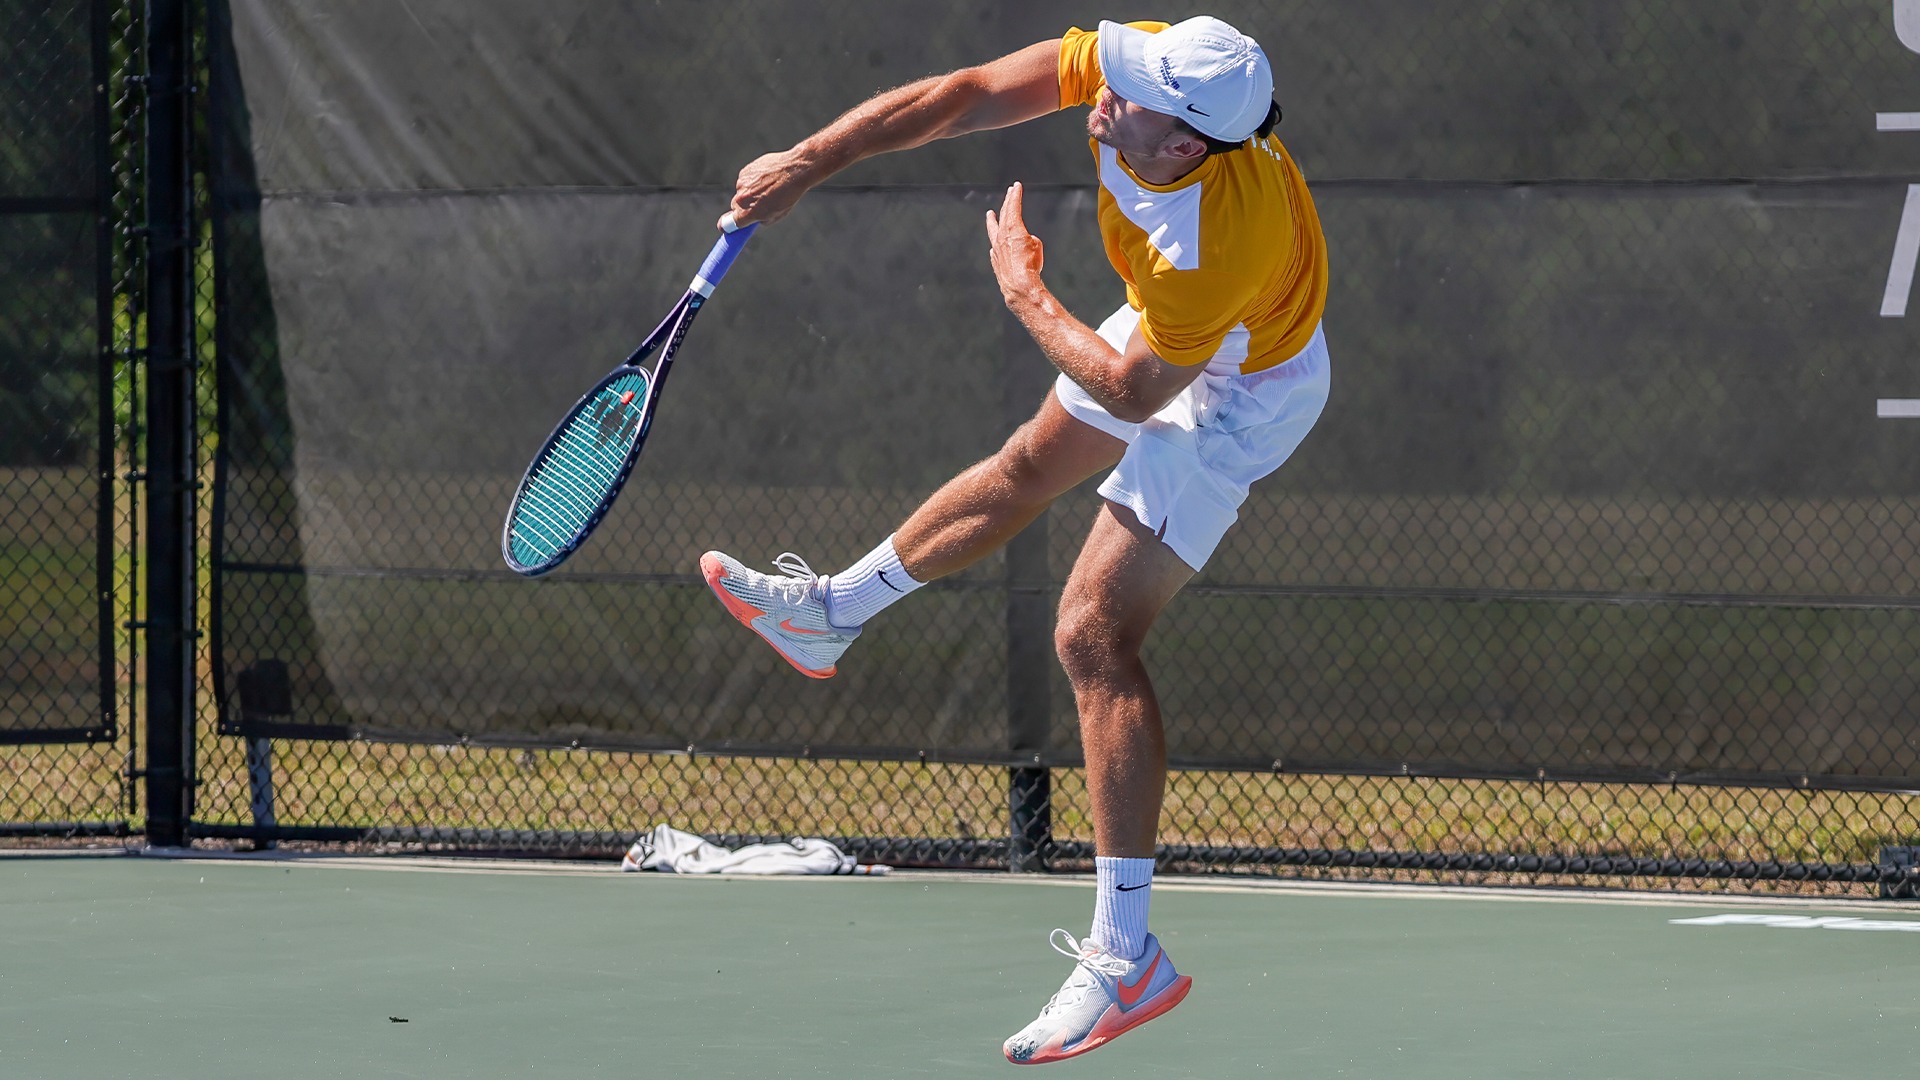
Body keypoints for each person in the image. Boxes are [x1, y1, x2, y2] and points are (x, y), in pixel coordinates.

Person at [699, 16, 1330, 1064]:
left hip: (1243, 390)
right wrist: (810, 161)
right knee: (1024, 467)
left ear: (1183, 145)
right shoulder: (1144, 86)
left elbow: (1134, 388)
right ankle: (831, 618)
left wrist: (1026, 292)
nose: (1105, 88)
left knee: (1092, 635)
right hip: (1177, 328)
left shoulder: (1217, 240)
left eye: (1133, 95)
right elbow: (967, 90)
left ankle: (1128, 958)